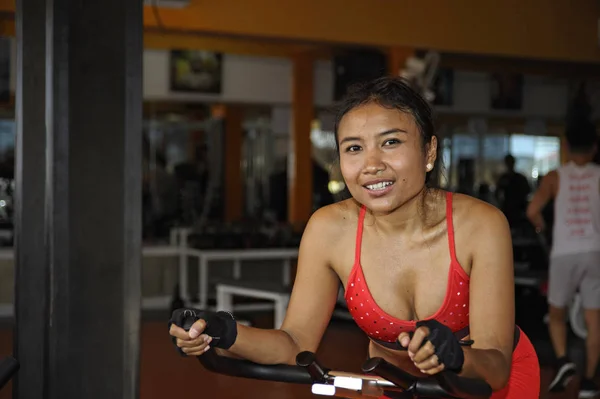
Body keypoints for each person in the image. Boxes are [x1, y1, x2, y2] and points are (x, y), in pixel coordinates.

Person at [169, 76, 540, 398]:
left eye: (391, 142)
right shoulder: (329, 230)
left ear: (429, 151)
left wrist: (457, 356)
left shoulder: (480, 225)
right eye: (354, 148)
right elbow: (295, 344)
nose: (371, 164)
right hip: (395, 385)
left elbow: (495, 367)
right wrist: (220, 332)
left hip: (486, 387)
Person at [526, 120, 600, 398]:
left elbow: (533, 211)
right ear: (594, 147)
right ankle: (590, 383)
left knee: (556, 315)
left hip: (564, 253)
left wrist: (542, 229)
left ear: (566, 146)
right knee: (594, 320)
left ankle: (562, 361)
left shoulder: (555, 177)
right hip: (595, 252)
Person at [495, 154, 531, 227]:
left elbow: (527, 191)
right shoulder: (504, 178)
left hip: (518, 208)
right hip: (507, 207)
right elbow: (497, 192)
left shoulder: (520, 178)